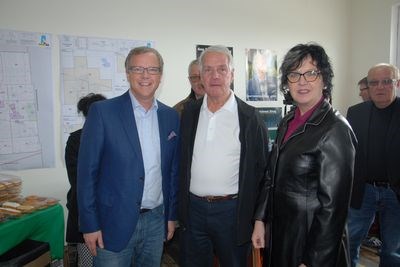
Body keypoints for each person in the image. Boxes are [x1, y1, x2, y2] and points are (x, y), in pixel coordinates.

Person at [252, 43, 356, 267]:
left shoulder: (335, 129)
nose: (302, 81)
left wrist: (312, 261)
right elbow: (271, 175)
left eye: (311, 73)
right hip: (281, 236)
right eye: (294, 74)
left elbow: (333, 210)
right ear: (286, 82)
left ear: (324, 79)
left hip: (311, 244)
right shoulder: (288, 121)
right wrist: (260, 219)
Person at [77, 46, 180, 267]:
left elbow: (172, 172)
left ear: (160, 76)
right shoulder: (103, 112)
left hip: (155, 220)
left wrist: (170, 217)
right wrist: (90, 224)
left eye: (152, 69)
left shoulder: (171, 117)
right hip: (111, 222)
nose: (145, 75)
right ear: (127, 73)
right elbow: (86, 174)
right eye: (138, 69)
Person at [178, 45, 269, 267]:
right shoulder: (188, 113)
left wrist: (260, 219)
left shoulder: (250, 117)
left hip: (232, 213)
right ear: (200, 76)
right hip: (193, 211)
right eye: (208, 70)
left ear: (232, 74)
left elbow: (264, 174)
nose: (215, 75)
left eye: (221, 69)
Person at [347, 63, 400, 267]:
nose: (380, 87)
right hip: (364, 190)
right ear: (368, 86)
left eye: (387, 81)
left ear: (396, 83)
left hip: (395, 193)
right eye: (374, 83)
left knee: (392, 250)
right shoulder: (355, 113)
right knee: (350, 241)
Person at [65, 93, 106, 267]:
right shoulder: (76, 140)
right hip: (85, 211)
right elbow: (78, 180)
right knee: (88, 260)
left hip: (111, 213)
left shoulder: (113, 137)